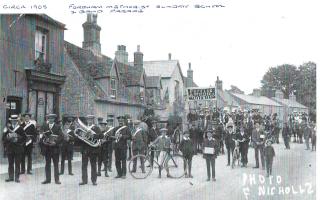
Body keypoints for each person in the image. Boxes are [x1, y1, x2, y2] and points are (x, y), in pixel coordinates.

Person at [79, 115, 103, 186]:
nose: (89, 121)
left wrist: (93, 136)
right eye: (88, 119)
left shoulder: (96, 128)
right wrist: (81, 136)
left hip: (93, 149)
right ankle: (84, 180)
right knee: (84, 165)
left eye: (91, 119)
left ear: (93, 120)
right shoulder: (84, 128)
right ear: (87, 120)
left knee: (93, 165)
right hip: (85, 149)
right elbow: (80, 138)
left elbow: (101, 136)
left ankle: (94, 180)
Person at [40, 114, 63, 184]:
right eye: (49, 118)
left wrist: (55, 143)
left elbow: (61, 137)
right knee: (47, 164)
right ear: (48, 119)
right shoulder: (44, 126)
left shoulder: (58, 127)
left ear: (54, 119)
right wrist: (43, 142)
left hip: (55, 149)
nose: (51, 119)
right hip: (47, 148)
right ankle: (47, 179)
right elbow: (41, 136)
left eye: (52, 118)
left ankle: (57, 180)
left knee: (56, 164)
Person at [2, 115, 26, 182]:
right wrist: (8, 137)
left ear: (17, 121)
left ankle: (17, 178)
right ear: (11, 120)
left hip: (18, 148)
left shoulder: (20, 128)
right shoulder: (7, 128)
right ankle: (11, 177)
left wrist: (17, 139)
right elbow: (3, 138)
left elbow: (24, 138)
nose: (14, 121)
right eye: (13, 120)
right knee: (10, 163)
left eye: (15, 120)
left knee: (17, 164)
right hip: (10, 148)